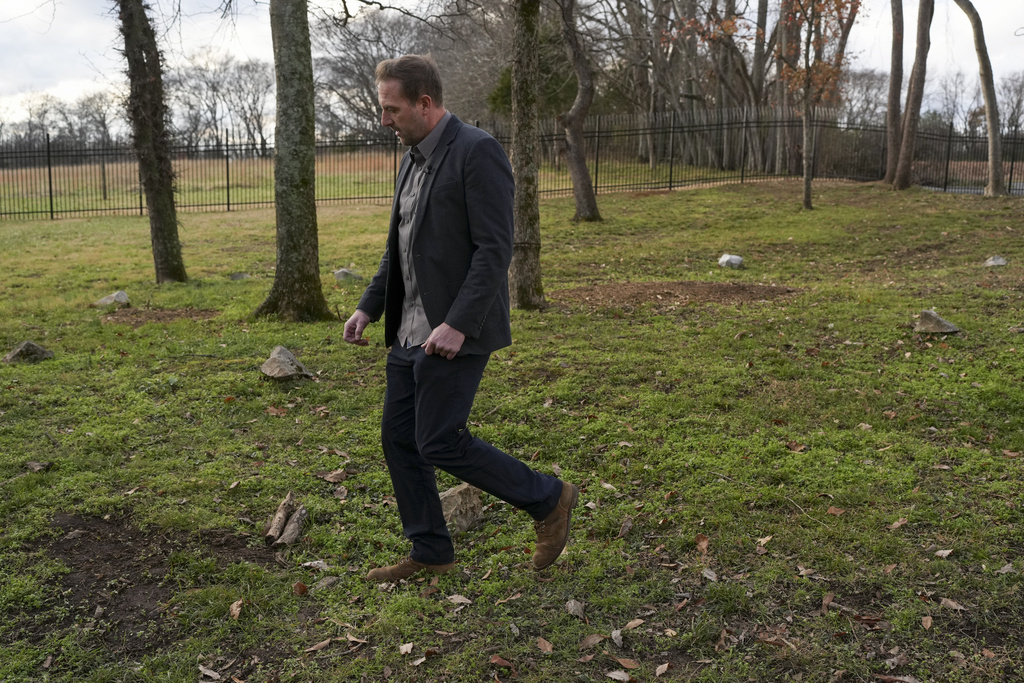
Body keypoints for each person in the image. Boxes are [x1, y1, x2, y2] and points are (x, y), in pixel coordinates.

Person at [343, 54, 578, 581]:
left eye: (392, 109)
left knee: (438, 439)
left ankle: (549, 498)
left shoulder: (477, 151)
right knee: (399, 440)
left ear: (425, 104)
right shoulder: (410, 157)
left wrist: (459, 322)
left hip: (453, 333)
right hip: (407, 331)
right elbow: (398, 249)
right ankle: (430, 553)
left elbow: (495, 249)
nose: (385, 120)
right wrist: (368, 305)